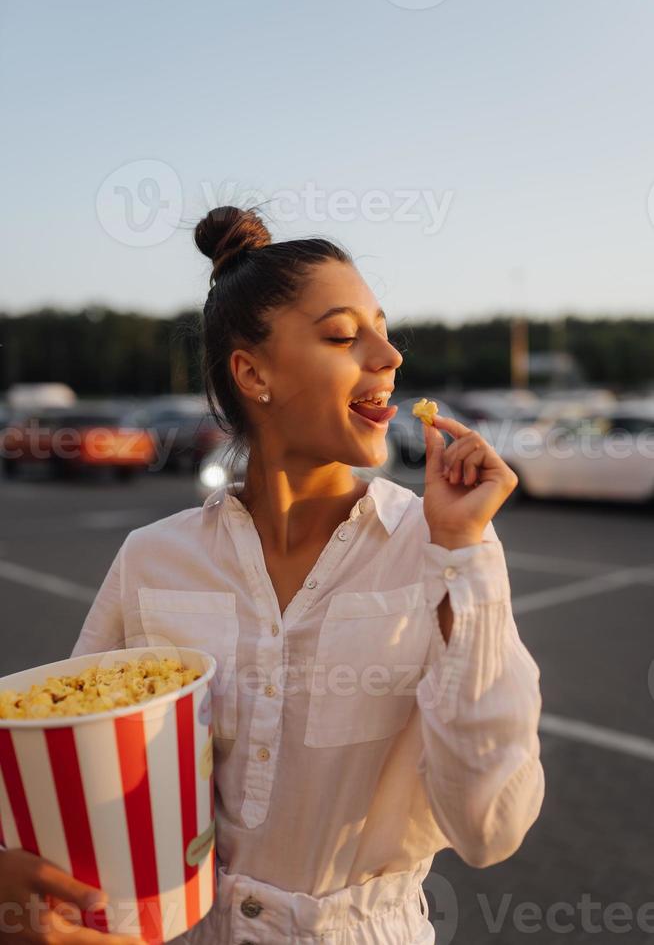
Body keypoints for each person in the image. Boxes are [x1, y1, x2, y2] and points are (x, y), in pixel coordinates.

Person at [0, 206, 545, 945]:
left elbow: (490, 829)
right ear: (253, 372)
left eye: (384, 331)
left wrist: (463, 556)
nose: (388, 356)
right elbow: (60, 765)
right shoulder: (153, 559)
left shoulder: (442, 548)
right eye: (344, 336)